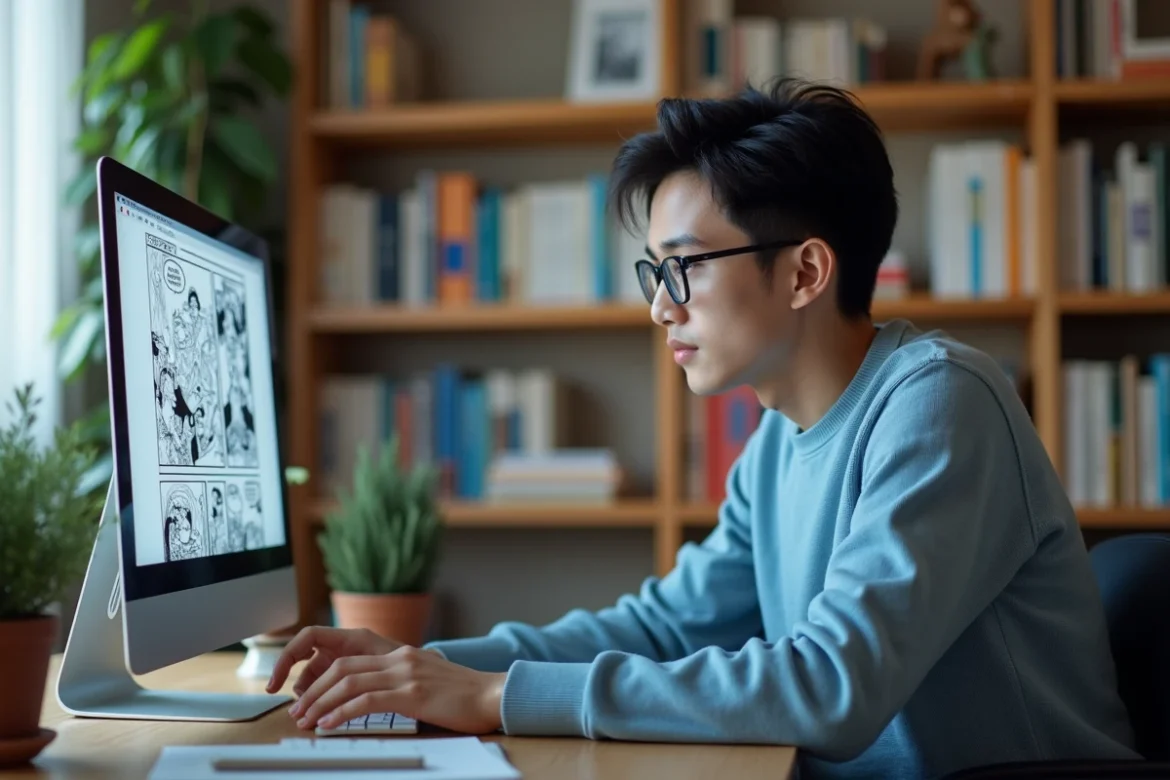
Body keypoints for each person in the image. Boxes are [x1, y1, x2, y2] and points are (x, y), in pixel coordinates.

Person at [267, 79, 1139, 778]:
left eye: (683, 267)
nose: (660, 306)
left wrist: (494, 696)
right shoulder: (778, 441)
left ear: (804, 272)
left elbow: (830, 688)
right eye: (655, 272)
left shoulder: (940, 401)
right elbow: (665, 628)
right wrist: (416, 664)